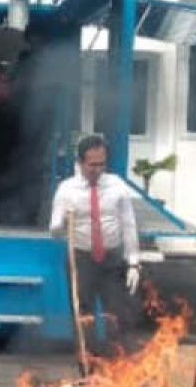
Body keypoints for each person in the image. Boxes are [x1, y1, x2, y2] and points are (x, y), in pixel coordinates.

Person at [49, 135, 141, 350]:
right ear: (80, 163)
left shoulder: (117, 186)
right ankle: (88, 364)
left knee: (117, 313)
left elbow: (129, 224)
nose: (97, 169)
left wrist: (134, 261)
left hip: (111, 258)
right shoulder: (66, 190)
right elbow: (54, 230)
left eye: (102, 164)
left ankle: (116, 364)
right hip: (81, 259)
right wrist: (60, 223)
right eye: (92, 165)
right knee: (84, 315)